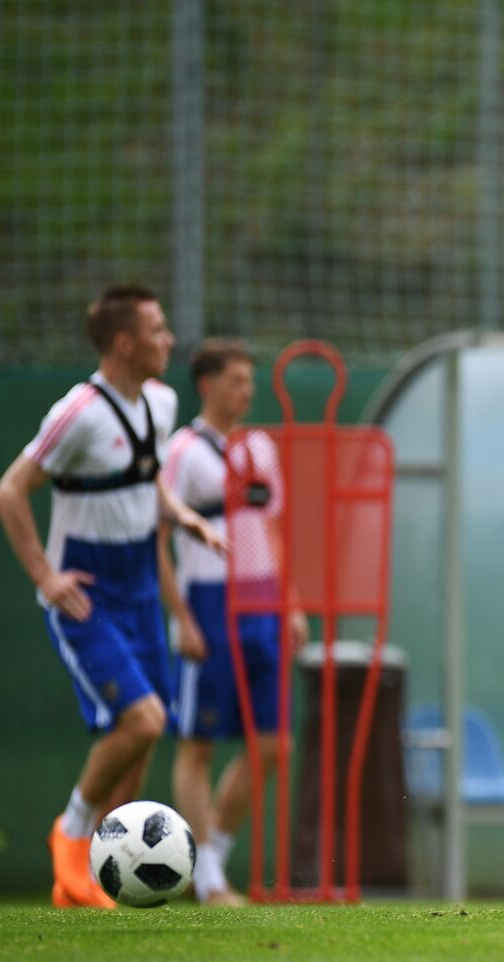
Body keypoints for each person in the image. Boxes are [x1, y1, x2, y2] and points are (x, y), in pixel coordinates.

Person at [0, 286, 225, 908]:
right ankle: (69, 834)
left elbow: (146, 485)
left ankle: (99, 874)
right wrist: (45, 576)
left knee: (145, 738)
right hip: (87, 595)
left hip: (141, 589)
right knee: (141, 720)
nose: (169, 339)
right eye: (157, 329)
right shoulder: (79, 413)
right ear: (124, 343)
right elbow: (9, 492)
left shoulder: (162, 400)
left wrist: (182, 515)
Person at [158, 338, 307, 905]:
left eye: (251, 380)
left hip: (263, 602)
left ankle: (213, 854)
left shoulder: (260, 448)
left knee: (274, 745)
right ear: (207, 384)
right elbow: (159, 539)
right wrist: (183, 619)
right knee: (197, 744)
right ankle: (205, 879)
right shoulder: (183, 451)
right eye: (236, 380)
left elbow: (272, 529)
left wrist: (290, 603)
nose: (247, 391)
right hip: (209, 601)